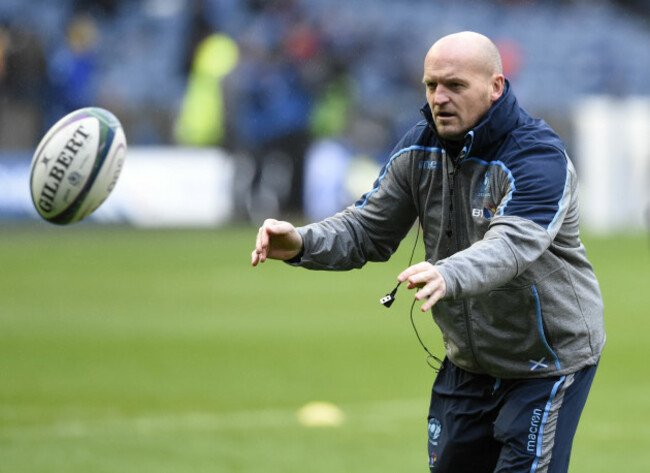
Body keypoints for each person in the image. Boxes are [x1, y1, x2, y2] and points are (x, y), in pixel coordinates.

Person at [251, 31, 605, 473]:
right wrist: (303, 241)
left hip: (547, 362)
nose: (439, 98)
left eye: (454, 85)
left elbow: (512, 245)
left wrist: (448, 274)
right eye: (431, 85)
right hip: (468, 361)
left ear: (495, 86)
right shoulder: (419, 148)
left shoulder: (539, 157)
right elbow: (367, 229)